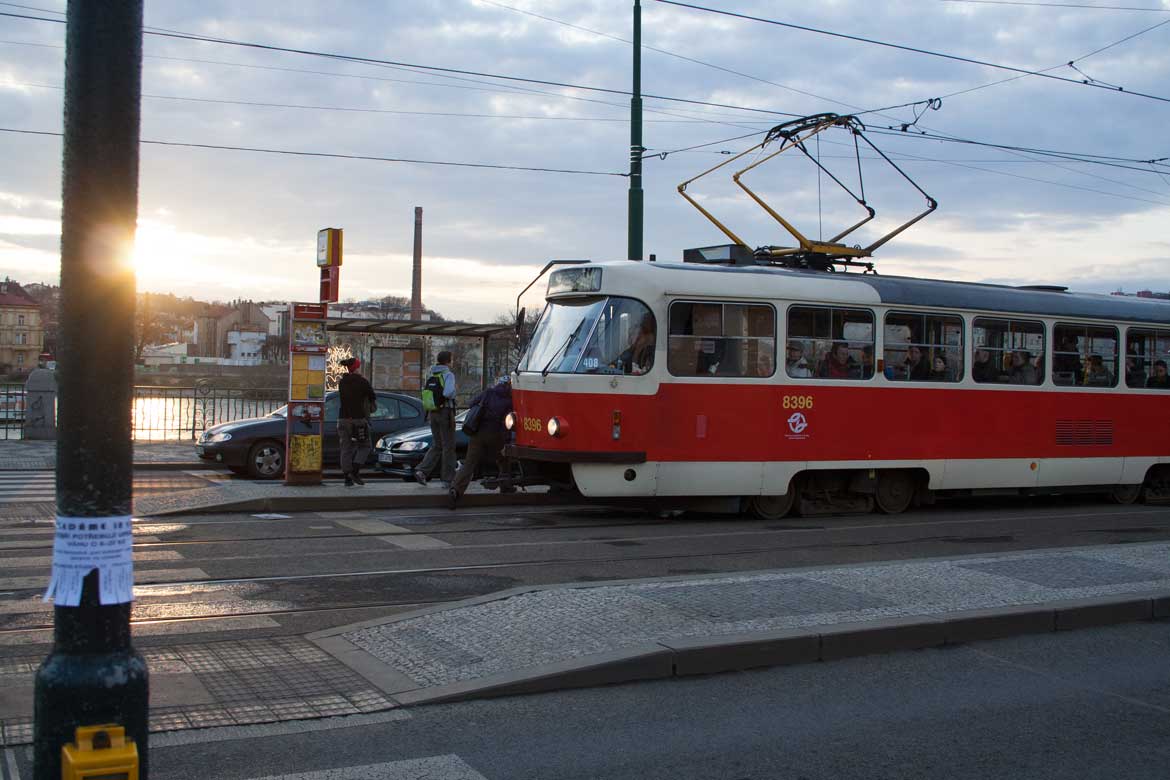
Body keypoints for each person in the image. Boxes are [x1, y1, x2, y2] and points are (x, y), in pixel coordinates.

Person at [449, 377, 513, 508]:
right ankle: (505, 485)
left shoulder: (488, 392)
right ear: (509, 386)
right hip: (495, 434)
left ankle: (456, 489)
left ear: (498, 383)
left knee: (469, 463)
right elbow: (507, 422)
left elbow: (472, 403)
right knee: (503, 458)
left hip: (478, 433)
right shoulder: (509, 400)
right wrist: (506, 438)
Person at [415, 350, 458, 487]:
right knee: (448, 446)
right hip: (445, 411)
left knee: (437, 444)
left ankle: (422, 471)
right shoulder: (448, 375)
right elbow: (448, 392)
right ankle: (447, 479)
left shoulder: (431, 373)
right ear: (448, 361)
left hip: (433, 412)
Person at [337, 356, 376, 487]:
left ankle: (347, 477)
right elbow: (372, 396)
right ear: (357, 368)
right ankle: (355, 470)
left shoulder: (342, 382)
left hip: (342, 419)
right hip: (358, 420)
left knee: (345, 448)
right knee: (365, 446)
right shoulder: (362, 382)